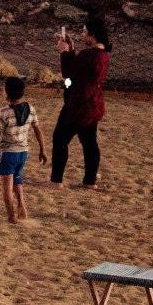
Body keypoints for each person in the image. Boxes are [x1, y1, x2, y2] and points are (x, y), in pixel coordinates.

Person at [50, 16, 112, 189]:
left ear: (92, 34)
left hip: (78, 105)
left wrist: (65, 51)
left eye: (85, 32)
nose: (83, 34)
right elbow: (80, 72)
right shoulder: (103, 55)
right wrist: (71, 49)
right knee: (89, 143)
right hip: (93, 103)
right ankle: (90, 181)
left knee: (60, 139)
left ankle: (56, 180)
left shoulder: (88, 55)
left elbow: (68, 73)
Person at [0, 77, 47, 223]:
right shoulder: (30, 108)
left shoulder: (4, 112)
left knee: (7, 187)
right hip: (23, 153)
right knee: (17, 179)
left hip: (8, 153)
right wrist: (42, 149)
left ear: (7, 93)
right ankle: (22, 205)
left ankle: (11, 216)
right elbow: (37, 129)